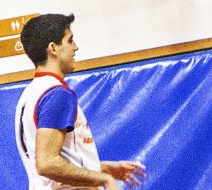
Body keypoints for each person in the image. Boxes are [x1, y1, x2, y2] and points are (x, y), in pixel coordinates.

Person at [15, 13, 147, 190]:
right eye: (70, 41)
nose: (75, 47)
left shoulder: (30, 94)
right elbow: (46, 164)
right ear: (53, 48)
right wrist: (103, 180)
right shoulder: (56, 94)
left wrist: (103, 169)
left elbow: (56, 165)